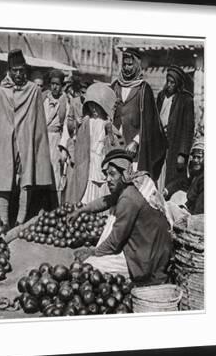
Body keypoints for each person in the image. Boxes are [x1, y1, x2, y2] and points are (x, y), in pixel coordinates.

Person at [71, 149, 173, 286]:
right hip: (152, 251)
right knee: (114, 205)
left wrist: (93, 252)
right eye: (107, 174)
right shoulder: (135, 185)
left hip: (147, 261)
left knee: (89, 266)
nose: (108, 179)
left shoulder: (128, 197)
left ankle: (137, 279)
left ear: (124, 174)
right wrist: (82, 210)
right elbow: (107, 200)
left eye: (112, 174)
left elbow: (114, 242)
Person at [0, 49, 53, 230]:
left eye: (22, 70)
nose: (19, 74)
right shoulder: (1, 92)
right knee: (2, 178)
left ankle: (21, 220)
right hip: (5, 142)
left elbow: (39, 124)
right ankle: (5, 221)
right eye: (15, 70)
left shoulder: (34, 91)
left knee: (26, 179)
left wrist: (35, 145)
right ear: (9, 70)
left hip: (27, 140)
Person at [111, 48, 167, 180]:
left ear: (136, 65)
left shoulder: (144, 89)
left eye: (130, 64)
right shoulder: (115, 86)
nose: (126, 68)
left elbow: (149, 123)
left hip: (135, 149)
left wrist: (136, 142)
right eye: (124, 64)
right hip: (116, 145)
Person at [61, 83, 118, 205]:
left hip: (100, 161)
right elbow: (79, 141)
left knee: (100, 187)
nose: (94, 110)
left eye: (96, 107)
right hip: (87, 162)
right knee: (86, 187)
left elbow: (113, 145)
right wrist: (78, 125)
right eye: (91, 107)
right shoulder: (87, 122)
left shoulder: (107, 123)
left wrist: (109, 132)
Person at [156, 65, 195, 192]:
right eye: (168, 81)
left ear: (177, 84)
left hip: (175, 146)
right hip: (161, 144)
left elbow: (188, 129)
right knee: (159, 175)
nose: (169, 85)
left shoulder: (186, 99)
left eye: (172, 82)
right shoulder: (161, 97)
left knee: (173, 179)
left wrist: (183, 154)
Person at [42, 69, 69, 204]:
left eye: (57, 84)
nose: (54, 87)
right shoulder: (43, 99)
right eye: (52, 84)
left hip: (55, 139)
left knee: (55, 171)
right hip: (42, 139)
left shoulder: (65, 102)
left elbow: (66, 127)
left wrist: (63, 148)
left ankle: (55, 205)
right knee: (41, 169)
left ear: (62, 85)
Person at [164, 137, 204, 222]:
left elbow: (198, 213)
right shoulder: (196, 175)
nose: (195, 160)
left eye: (199, 157)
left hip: (195, 221)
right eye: (194, 157)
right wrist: (166, 190)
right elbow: (181, 183)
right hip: (189, 213)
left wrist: (182, 210)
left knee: (168, 207)